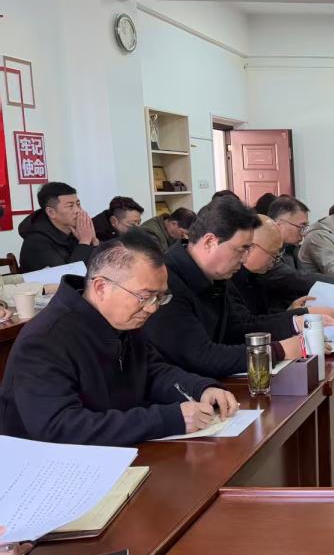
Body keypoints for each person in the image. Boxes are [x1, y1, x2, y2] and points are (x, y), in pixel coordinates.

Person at [0, 232, 239, 446]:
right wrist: (168, 419)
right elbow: (60, 426)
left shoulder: (120, 319)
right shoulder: (45, 339)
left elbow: (152, 371)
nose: (152, 308)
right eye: (145, 297)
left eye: (160, 297)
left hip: (115, 450)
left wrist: (200, 388)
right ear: (101, 287)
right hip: (47, 464)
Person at [143, 196, 305, 378]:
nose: (244, 258)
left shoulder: (217, 275)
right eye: (241, 249)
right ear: (209, 242)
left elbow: (235, 330)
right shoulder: (166, 281)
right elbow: (200, 356)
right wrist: (278, 350)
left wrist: (293, 323)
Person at [232, 214, 334, 322]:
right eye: (273, 254)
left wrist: (290, 311)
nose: (275, 261)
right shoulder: (231, 281)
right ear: (250, 247)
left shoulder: (256, 276)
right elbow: (249, 325)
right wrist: (301, 314)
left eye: (278, 256)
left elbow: (264, 318)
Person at [258, 195, 334, 311]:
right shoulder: (264, 254)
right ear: (279, 224)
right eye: (301, 227)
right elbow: (297, 278)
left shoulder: (290, 250)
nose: (304, 233)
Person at [17, 182, 98, 272]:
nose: (78, 210)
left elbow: (103, 267)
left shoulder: (76, 232)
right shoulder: (36, 242)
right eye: (70, 206)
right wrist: (84, 242)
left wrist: (94, 241)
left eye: (78, 204)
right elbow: (67, 276)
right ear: (51, 212)